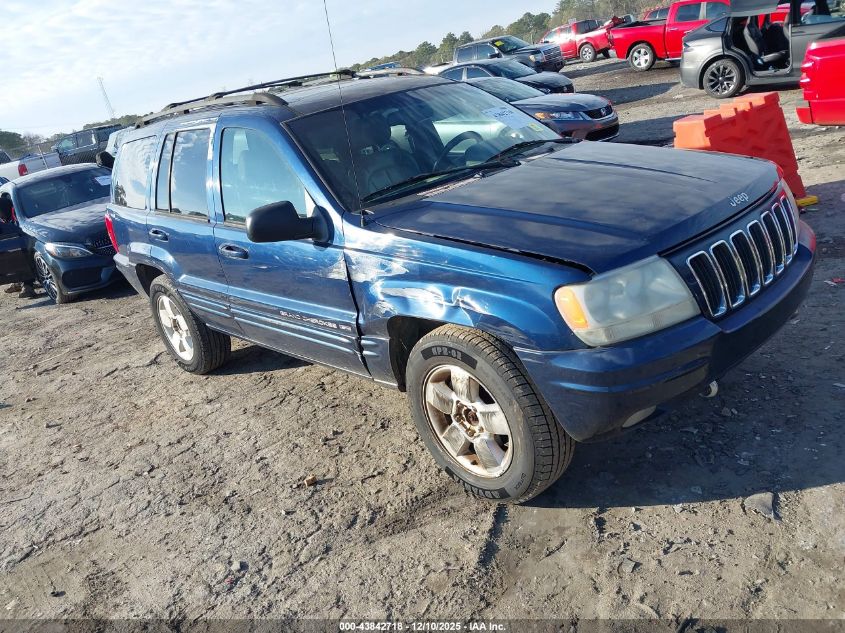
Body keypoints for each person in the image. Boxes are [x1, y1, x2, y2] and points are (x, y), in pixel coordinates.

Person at [0, 193, 37, 299]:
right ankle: (18, 283)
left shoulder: (17, 218)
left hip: (27, 246)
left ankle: (28, 286)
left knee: (20, 256)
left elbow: (15, 230)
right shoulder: (6, 219)